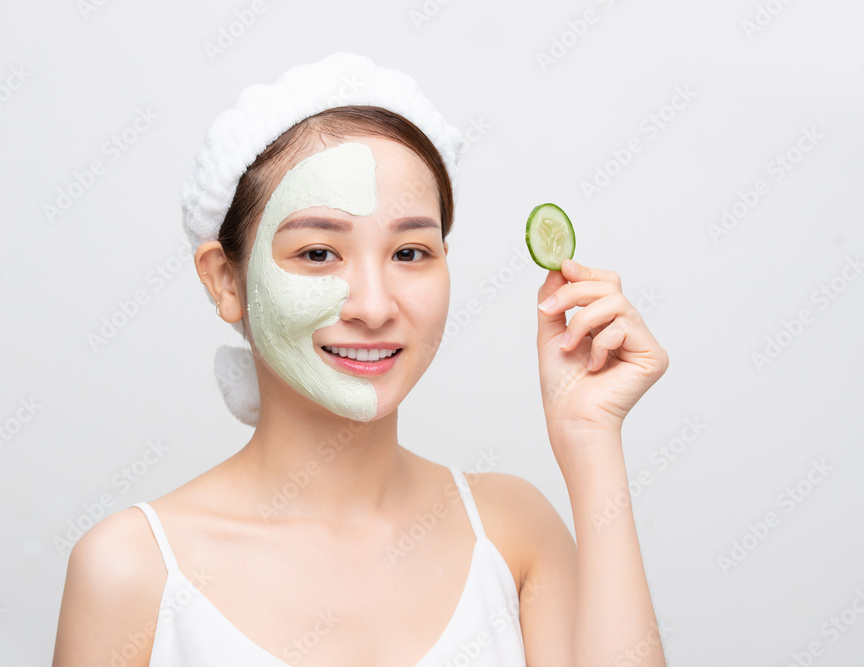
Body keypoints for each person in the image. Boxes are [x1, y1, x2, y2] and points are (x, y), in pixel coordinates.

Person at [52, 52, 670, 667]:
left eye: (410, 253)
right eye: (319, 253)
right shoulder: (133, 571)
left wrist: (590, 438)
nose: (373, 307)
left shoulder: (511, 534)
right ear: (225, 282)